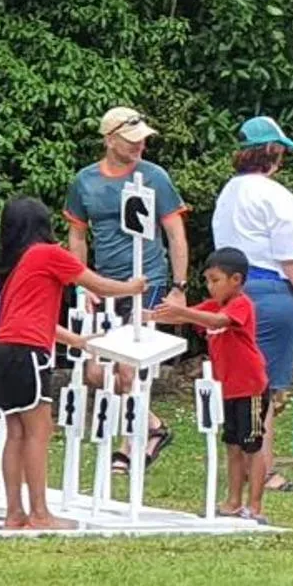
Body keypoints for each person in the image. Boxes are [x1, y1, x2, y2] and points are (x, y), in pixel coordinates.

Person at [0, 196, 145, 531]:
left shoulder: (17, 265)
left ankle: (15, 513)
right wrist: (131, 288)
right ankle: (40, 513)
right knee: (38, 431)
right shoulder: (47, 254)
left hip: (2, 350)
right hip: (27, 352)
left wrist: (75, 341)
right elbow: (95, 284)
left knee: (15, 432)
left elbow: (28, 317)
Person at [66, 106, 189, 470]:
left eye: (142, 141)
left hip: (146, 280)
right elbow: (77, 235)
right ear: (109, 140)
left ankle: (129, 443)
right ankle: (153, 425)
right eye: (131, 141)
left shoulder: (155, 177)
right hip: (103, 282)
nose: (139, 147)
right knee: (93, 370)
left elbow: (175, 232)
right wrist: (81, 282)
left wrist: (179, 286)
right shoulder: (84, 182)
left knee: (127, 368)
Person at [213, 116, 293, 492]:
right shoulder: (278, 197)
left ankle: (238, 468)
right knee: (266, 388)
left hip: (231, 293)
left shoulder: (227, 193)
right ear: (273, 154)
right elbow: (292, 260)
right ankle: (265, 469)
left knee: (237, 386)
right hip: (271, 292)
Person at [152, 248, 271, 519]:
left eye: (215, 280)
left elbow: (217, 321)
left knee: (252, 444)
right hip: (227, 388)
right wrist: (151, 315)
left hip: (250, 386)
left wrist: (182, 311)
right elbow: (182, 315)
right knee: (232, 444)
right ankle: (233, 500)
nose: (210, 286)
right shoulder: (210, 306)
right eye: (207, 280)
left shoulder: (241, 304)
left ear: (236, 280)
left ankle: (255, 505)